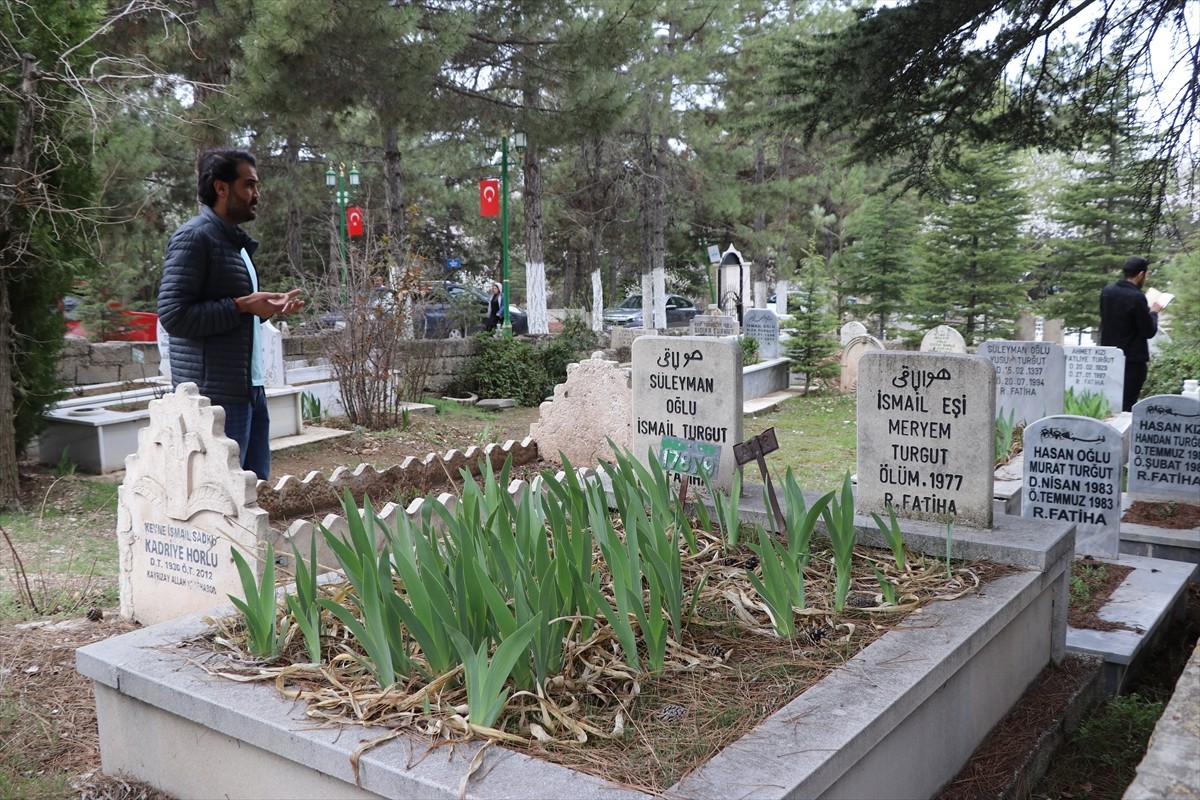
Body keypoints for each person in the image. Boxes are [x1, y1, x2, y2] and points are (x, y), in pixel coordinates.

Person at [158, 149, 304, 480]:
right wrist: (241, 305)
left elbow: (236, 316)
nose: (257, 194)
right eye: (249, 185)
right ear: (221, 188)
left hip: (250, 390)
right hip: (216, 398)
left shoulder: (234, 245)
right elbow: (174, 315)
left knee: (254, 495)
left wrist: (264, 310)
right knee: (224, 500)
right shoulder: (194, 236)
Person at [1099, 255, 1163, 412]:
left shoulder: (1107, 292)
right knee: (1127, 405)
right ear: (1140, 274)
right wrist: (1153, 312)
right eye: (1146, 275)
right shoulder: (1137, 297)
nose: (1146, 279)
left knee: (1109, 404)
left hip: (1109, 357)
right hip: (1132, 361)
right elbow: (1149, 331)